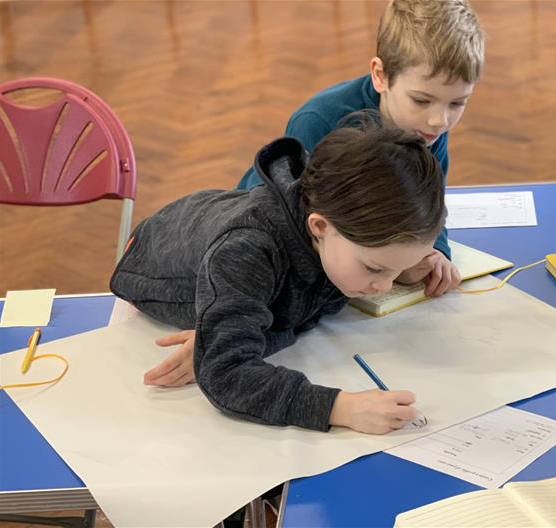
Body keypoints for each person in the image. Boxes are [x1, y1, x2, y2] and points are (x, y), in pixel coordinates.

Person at [111, 116, 446, 434]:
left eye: (396, 271)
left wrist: (407, 268)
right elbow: (225, 375)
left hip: (216, 221)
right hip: (154, 258)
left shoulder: (339, 236)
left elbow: (295, 313)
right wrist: (339, 408)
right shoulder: (247, 252)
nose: (384, 287)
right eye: (375, 269)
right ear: (320, 226)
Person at [237, 0, 486, 299]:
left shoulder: (427, 128)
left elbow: (428, 207)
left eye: (457, 103)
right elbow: (298, 225)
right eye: (421, 100)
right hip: (258, 239)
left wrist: (434, 253)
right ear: (380, 76)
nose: (440, 120)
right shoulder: (319, 121)